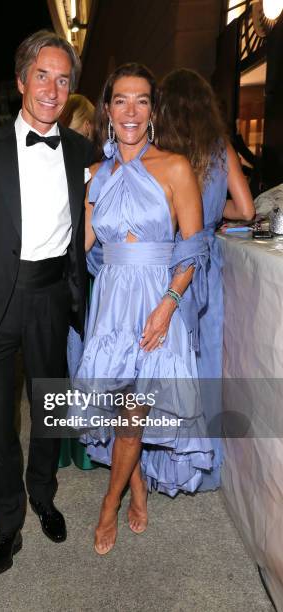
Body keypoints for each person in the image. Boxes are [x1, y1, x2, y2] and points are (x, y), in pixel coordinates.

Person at [0, 30, 93, 575]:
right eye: (42, 76)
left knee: (50, 409)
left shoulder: (80, 151)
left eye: (63, 79)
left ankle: (43, 494)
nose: (53, 89)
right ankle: (7, 525)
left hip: (52, 296)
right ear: (21, 81)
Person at [72, 63, 213, 555]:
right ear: (107, 111)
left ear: (153, 110)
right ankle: (135, 487)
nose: (131, 111)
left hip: (158, 302)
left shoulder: (175, 167)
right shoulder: (93, 176)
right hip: (110, 303)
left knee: (133, 413)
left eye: (142, 100)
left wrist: (169, 304)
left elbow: (193, 248)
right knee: (116, 408)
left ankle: (108, 506)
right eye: (121, 101)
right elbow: (77, 245)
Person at [155, 69, 255, 490]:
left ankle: (167, 459)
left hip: (170, 262)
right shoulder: (220, 148)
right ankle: (206, 459)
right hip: (208, 264)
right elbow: (247, 210)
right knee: (207, 360)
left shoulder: (160, 151)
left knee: (169, 360)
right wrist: (215, 218)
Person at [58, 94, 97, 471]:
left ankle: (58, 450)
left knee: (54, 360)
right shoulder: (87, 157)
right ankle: (84, 448)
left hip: (51, 271)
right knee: (80, 357)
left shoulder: (54, 156)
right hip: (78, 271)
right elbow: (86, 234)